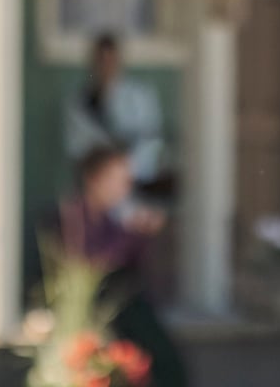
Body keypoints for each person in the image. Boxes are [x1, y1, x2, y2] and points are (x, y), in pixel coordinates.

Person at [39, 145, 189, 387]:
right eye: (117, 179)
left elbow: (133, 269)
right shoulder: (73, 216)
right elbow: (91, 266)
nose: (124, 187)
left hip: (122, 313)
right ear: (94, 179)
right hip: (91, 318)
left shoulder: (110, 220)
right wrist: (133, 234)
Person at [64, 33, 171, 196]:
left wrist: (125, 172)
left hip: (135, 184)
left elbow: (151, 139)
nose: (106, 66)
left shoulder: (140, 96)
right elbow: (77, 147)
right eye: (101, 60)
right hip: (96, 187)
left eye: (111, 60)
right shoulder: (81, 101)